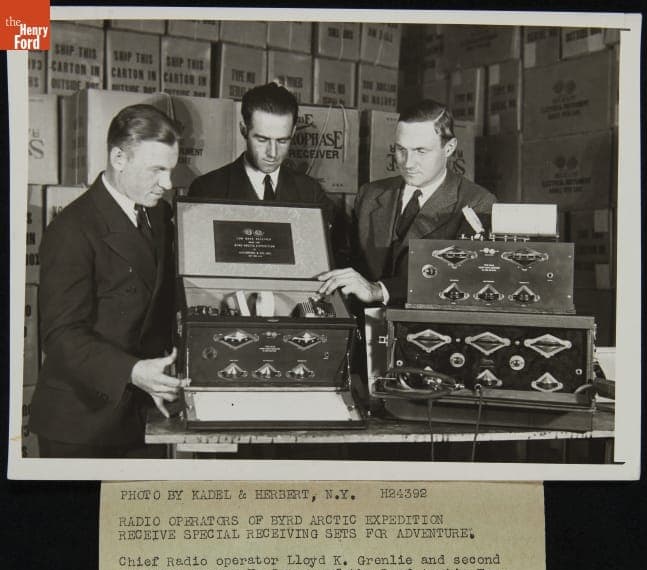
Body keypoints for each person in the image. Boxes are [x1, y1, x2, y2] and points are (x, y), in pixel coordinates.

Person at [30, 104, 183, 458]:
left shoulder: (158, 213)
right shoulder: (72, 230)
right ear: (118, 158)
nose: (168, 183)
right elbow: (61, 337)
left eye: (171, 169)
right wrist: (133, 371)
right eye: (157, 169)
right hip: (82, 424)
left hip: (141, 413)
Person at [317, 99, 496, 306]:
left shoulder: (478, 203)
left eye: (421, 151)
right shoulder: (369, 194)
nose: (408, 163)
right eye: (401, 150)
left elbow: (462, 279)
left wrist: (379, 290)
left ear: (449, 148)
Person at [188, 82, 331, 214]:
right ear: (244, 130)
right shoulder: (207, 190)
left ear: (293, 132)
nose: (273, 153)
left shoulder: (311, 193)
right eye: (262, 140)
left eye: (282, 141)